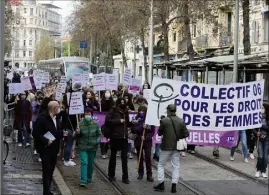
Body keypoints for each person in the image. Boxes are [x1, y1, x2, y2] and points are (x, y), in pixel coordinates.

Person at [154, 104, 189, 193]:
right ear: (175, 111)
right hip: (176, 147)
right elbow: (186, 134)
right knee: (176, 166)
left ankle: (161, 184)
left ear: (168, 111)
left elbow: (159, 133)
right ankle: (174, 186)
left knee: (161, 165)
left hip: (166, 146)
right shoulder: (181, 121)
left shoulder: (164, 120)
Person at [33, 101, 66, 195]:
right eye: (58, 107)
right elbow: (35, 133)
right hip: (45, 149)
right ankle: (46, 192)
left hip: (54, 149)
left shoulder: (57, 118)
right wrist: (46, 141)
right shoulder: (42, 118)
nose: (60, 108)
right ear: (54, 108)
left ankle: (48, 190)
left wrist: (62, 134)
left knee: (51, 170)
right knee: (46, 170)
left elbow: (55, 132)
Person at [106, 97, 131, 184]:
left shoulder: (126, 111)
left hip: (124, 137)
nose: (123, 103)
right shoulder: (113, 110)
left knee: (124, 158)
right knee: (113, 156)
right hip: (115, 137)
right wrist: (118, 121)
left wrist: (132, 123)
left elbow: (127, 122)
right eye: (121, 102)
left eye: (124, 102)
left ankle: (125, 177)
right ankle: (111, 175)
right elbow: (108, 121)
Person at [75, 108, 101, 186]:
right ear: (84, 115)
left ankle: (89, 178)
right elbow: (77, 137)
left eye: (89, 114)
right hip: (83, 146)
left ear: (91, 115)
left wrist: (97, 141)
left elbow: (99, 135)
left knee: (90, 163)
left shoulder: (95, 124)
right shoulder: (80, 124)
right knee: (84, 162)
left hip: (93, 147)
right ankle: (83, 180)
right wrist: (77, 132)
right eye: (86, 114)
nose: (88, 115)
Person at [131, 106, 154, 181]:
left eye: (143, 111)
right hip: (138, 141)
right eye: (140, 110)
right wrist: (141, 126)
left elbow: (152, 131)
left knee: (148, 157)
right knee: (139, 157)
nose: (142, 112)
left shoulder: (150, 120)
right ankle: (140, 173)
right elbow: (134, 129)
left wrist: (146, 137)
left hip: (147, 142)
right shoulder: (136, 119)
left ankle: (149, 174)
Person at [255, 104, 268, 178]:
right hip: (259, 140)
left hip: (267, 141)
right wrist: (256, 133)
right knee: (260, 156)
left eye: (263, 108)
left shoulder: (267, 120)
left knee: (265, 158)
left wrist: (262, 126)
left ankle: (263, 171)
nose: (262, 109)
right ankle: (258, 170)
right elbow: (253, 128)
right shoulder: (257, 120)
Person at [100, 90, 114, 159]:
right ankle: (102, 152)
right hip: (102, 120)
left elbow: (113, 109)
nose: (107, 93)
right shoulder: (101, 101)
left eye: (108, 92)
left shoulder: (112, 101)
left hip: (109, 121)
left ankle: (105, 151)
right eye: (106, 92)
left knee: (108, 137)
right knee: (103, 136)